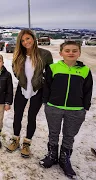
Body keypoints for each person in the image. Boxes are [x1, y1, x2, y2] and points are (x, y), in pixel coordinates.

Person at [39, 41, 93, 178]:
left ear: (79, 53)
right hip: (54, 108)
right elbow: (47, 86)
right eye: (67, 50)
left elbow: (88, 91)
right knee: (53, 133)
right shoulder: (53, 68)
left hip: (75, 110)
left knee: (69, 135)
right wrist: (46, 103)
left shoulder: (85, 70)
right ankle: (52, 155)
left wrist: (85, 107)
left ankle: (64, 159)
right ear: (61, 53)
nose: (71, 53)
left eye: (74, 50)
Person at [6, 29, 53, 158]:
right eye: (22, 40)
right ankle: (15, 140)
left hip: (37, 90)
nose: (26, 42)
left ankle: (26, 143)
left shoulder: (45, 54)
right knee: (17, 115)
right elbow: (15, 70)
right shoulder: (18, 55)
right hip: (22, 89)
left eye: (28, 38)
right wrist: (21, 80)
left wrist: (42, 83)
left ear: (33, 38)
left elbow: (49, 73)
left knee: (31, 117)